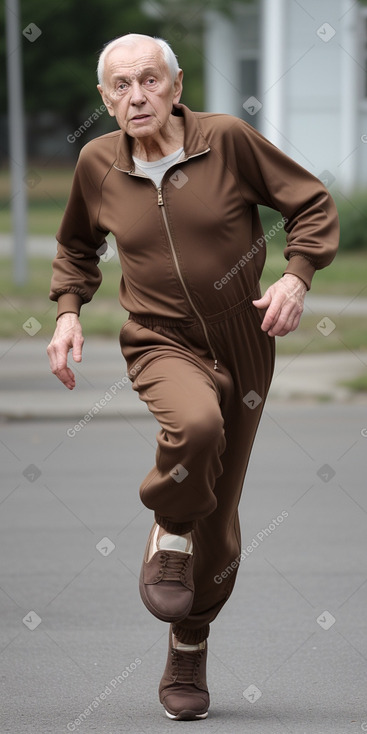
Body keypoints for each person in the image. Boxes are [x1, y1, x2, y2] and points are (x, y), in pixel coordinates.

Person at [47, 33, 339, 721]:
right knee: (194, 424)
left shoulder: (228, 141)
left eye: (149, 80)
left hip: (245, 339)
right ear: (105, 99)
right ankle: (169, 528)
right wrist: (66, 314)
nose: (136, 95)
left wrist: (296, 279)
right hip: (158, 337)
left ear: (177, 86)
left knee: (223, 514)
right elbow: (75, 246)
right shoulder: (97, 164)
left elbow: (312, 204)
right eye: (120, 85)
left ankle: (189, 640)